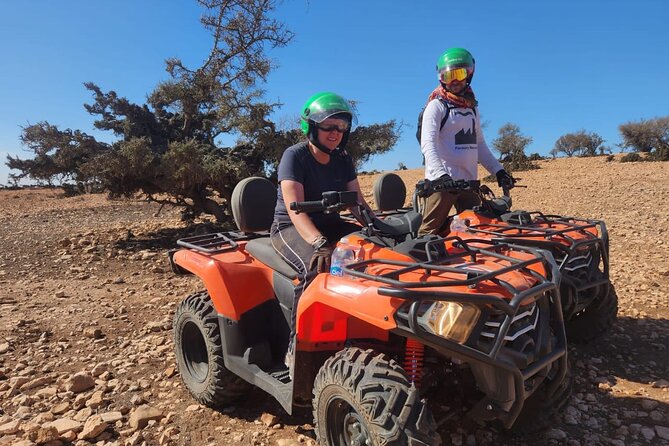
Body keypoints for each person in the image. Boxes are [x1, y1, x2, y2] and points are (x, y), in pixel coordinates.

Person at [270, 91, 374, 369]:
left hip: (330, 225)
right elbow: (295, 209)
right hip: (291, 227)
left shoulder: (343, 158)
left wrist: (377, 228)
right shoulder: (295, 156)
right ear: (311, 127)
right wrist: (318, 242)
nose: (336, 133)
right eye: (329, 126)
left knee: (374, 251)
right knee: (317, 267)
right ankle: (297, 347)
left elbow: (357, 202)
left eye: (341, 127)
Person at [418, 47, 515, 235]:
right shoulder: (436, 106)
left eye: (459, 74)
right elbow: (427, 144)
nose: (454, 81)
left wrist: (499, 171)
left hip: (469, 183)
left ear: (469, 75)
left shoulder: (472, 107)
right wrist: (441, 176)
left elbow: (479, 144)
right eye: (448, 76)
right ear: (441, 78)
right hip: (443, 185)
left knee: (477, 229)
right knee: (428, 234)